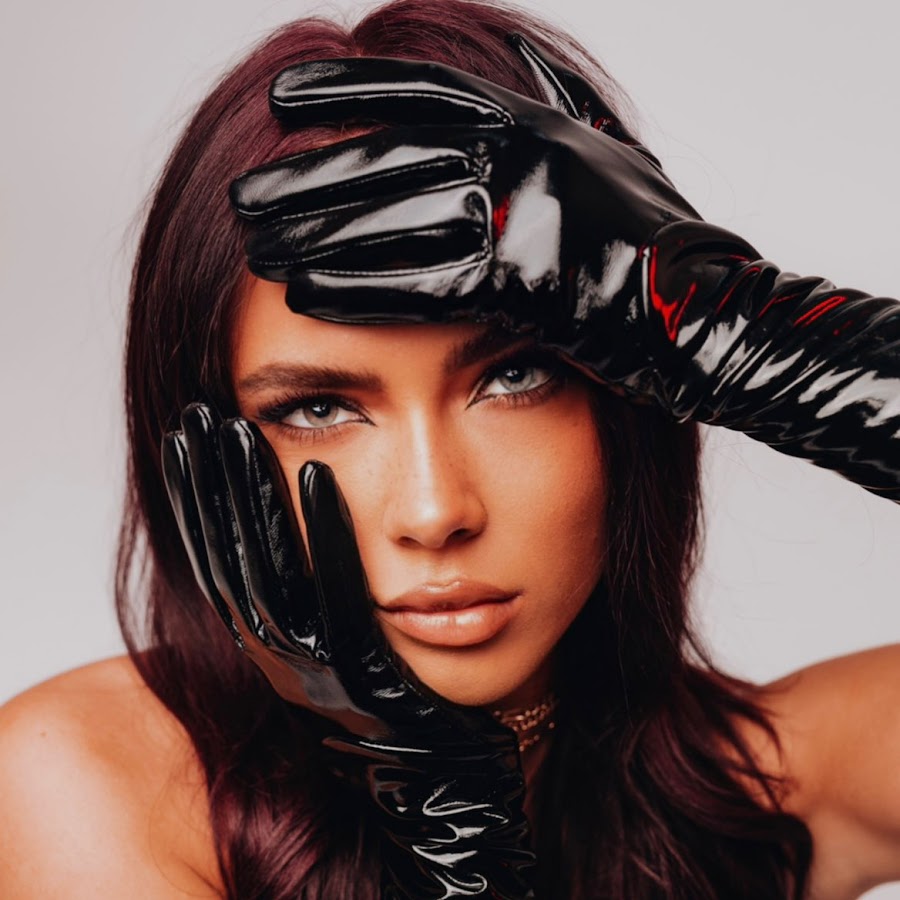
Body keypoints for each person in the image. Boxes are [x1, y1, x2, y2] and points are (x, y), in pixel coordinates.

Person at [0, 1, 898, 898]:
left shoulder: (766, 789)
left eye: (513, 378)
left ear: (631, 403)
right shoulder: (81, 785)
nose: (435, 513)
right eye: (319, 406)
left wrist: (747, 337)